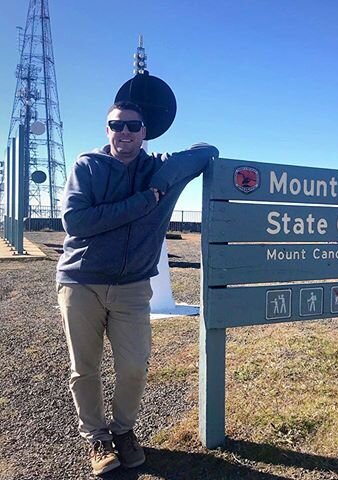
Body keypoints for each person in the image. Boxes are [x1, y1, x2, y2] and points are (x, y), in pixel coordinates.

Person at [56, 100, 217, 475]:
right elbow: (76, 222)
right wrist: (144, 202)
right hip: (82, 282)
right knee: (85, 368)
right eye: (116, 125)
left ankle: (123, 431)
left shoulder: (158, 168)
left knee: (133, 368)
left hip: (132, 287)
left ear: (145, 132)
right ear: (107, 129)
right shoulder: (88, 166)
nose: (124, 132)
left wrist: (158, 184)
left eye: (132, 125)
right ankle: (97, 437)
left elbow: (207, 152)